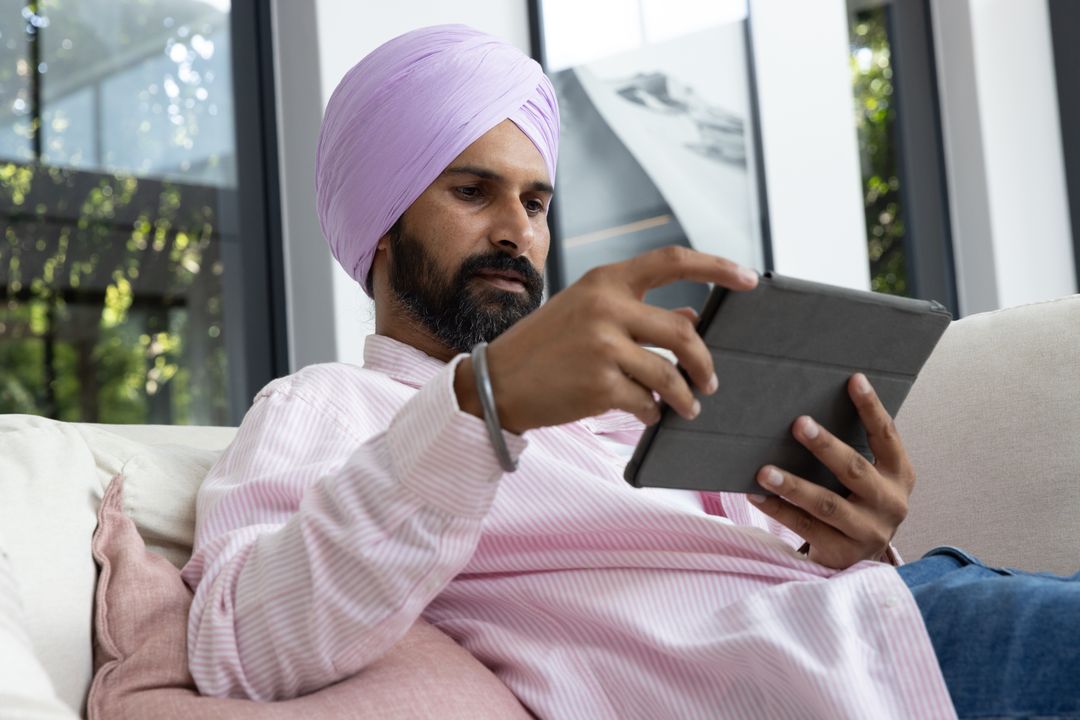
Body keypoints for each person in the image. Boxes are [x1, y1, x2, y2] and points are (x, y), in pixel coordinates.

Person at [181, 24, 1080, 720]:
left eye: (534, 202)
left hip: (902, 609)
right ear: (380, 226)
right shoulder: (324, 407)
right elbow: (237, 641)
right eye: (471, 191)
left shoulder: (628, 408)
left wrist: (846, 539)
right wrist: (483, 403)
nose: (517, 231)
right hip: (841, 667)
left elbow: (780, 558)